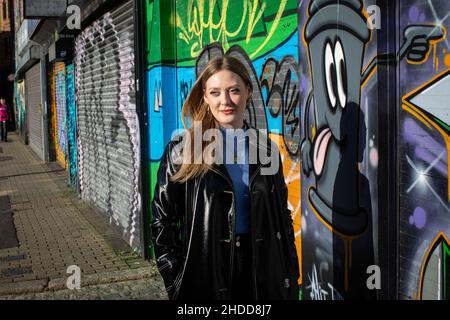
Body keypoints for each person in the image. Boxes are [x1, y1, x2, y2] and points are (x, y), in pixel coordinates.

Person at [151, 56, 299, 301]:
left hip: (261, 274)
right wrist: (177, 281)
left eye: (234, 91)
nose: (225, 101)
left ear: (248, 92)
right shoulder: (183, 150)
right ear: (205, 97)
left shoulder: (266, 150)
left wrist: (290, 273)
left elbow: (281, 216)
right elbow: (162, 222)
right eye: (215, 92)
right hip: (207, 275)